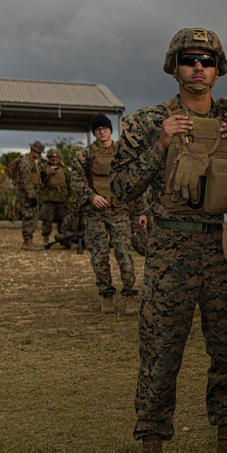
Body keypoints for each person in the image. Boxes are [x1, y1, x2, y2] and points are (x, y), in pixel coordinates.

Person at [110, 27, 227, 453]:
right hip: (171, 253)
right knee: (160, 357)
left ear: (219, 69)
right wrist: (159, 145)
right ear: (174, 67)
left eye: (208, 60)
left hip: (223, 253)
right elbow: (118, 191)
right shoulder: (147, 122)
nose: (199, 67)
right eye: (190, 59)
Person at [70, 113, 147, 314]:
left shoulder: (124, 153)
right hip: (95, 213)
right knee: (99, 255)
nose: (102, 131)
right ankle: (106, 296)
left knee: (124, 253)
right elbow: (75, 180)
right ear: (94, 132)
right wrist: (91, 196)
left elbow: (134, 181)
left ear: (111, 130)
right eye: (98, 129)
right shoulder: (85, 154)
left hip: (119, 211)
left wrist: (140, 212)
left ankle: (130, 295)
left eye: (105, 128)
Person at [15, 141, 44, 250]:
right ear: (34, 151)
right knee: (29, 216)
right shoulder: (26, 163)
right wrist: (31, 196)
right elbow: (26, 181)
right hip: (28, 195)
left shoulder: (32, 162)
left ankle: (29, 240)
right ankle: (27, 242)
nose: (40, 155)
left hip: (32, 193)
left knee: (33, 217)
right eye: (39, 153)